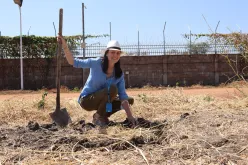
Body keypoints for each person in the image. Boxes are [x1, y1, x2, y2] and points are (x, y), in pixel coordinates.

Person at [57, 35, 137, 127]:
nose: (115, 55)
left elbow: (123, 95)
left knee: (129, 100)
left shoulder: (118, 74)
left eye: (118, 53)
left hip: (103, 100)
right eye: (112, 52)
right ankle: (98, 117)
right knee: (112, 89)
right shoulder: (96, 63)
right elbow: (73, 62)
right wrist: (65, 46)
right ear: (107, 53)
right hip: (87, 100)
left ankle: (102, 116)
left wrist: (130, 116)